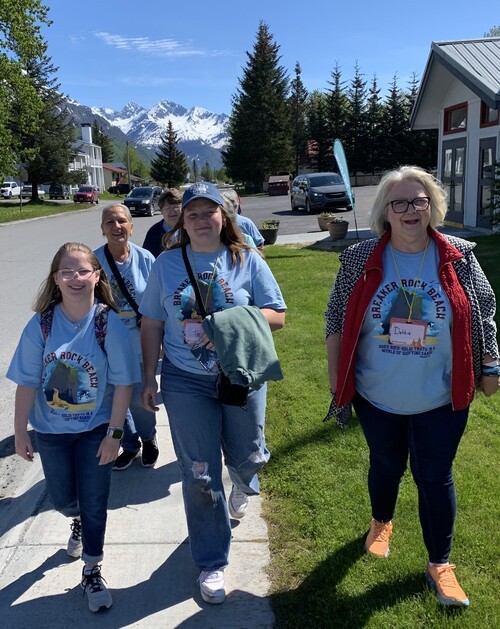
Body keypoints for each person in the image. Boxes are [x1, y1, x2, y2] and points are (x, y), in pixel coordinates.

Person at [325, 166, 499, 608]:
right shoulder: (359, 258)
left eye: (419, 201)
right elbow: (336, 320)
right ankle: (381, 521)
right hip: (376, 395)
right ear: (385, 211)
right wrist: (336, 379)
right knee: (385, 464)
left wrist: (491, 363)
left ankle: (440, 564)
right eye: (399, 202)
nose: (410, 210)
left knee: (435, 477)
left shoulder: (459, 255)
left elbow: (484, 309)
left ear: (432, 207)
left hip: (441, 396)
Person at [139, 181, 286, 604]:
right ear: (182, 222)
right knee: (200, 474)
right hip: (185, 380)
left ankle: (242, 480)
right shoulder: (166, 264)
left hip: (240, 374)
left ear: (225, 216)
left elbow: (277, 316)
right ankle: (211, 561)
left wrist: (225, 323)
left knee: (249, 455)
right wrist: (149, 378)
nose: (202, 220)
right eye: (193, 214)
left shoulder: (247, 259)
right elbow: (152, 323)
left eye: (210, 212)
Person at [7, 242, 139, 612]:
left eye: (83, 271)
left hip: (96, 429)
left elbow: (124, 384)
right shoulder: (43, 324)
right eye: (67, 271)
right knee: (64, 499)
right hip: (51, 433)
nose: (75, 278)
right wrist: (20, 432)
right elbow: (26, 383)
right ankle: (76, 519)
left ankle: (92, 569)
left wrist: (115, 434)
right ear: (56, 278)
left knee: (95, 500)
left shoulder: (108, 323)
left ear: (97, 276)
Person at [94, 204, 159, 471]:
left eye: (122, 221)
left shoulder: (146, 259)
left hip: (141, 340)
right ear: (102, 229)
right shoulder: (93, 262)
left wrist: (160, 336)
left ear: (131, 227)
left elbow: (158, 301)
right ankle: (130, 444)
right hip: (107, 343)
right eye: (110, 222)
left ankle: (149, 438)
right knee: (113, 396)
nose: (116, 226)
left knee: (139, 397)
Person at [142, 188, 183, 257]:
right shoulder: (154, 232)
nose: (172, 211)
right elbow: (147, 258)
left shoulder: (190, 229)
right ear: (161, 211)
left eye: (176, 207)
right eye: (168, 208)